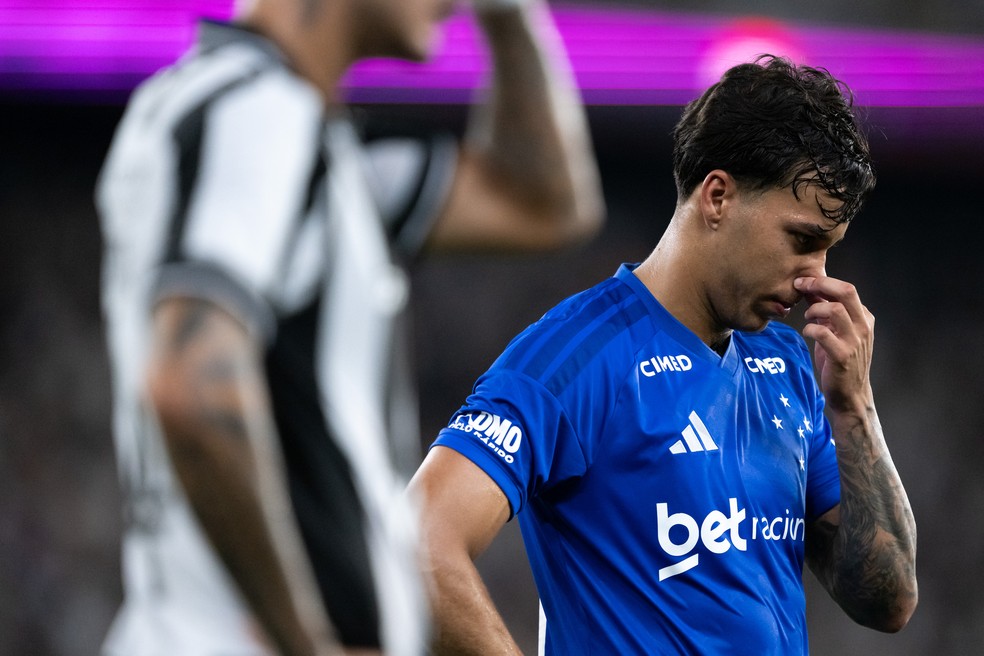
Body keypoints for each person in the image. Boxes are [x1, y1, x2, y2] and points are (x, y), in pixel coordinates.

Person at [95, 0, 604, 653]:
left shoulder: (291, 135)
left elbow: (547, 204)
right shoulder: (257, 114)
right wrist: (304, 639)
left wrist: (509, 15)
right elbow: (191, 386)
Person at [409, 56, 918, 655]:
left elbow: (887, 601)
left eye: (828, 251)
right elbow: (420, 541)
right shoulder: (577, 356)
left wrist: (855, 408)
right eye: (802, 241)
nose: (817, 280)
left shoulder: (786, 364)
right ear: (719, 197)